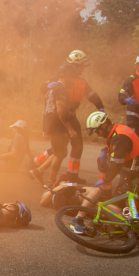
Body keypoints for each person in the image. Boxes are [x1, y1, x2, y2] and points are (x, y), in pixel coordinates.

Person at [30, 50, 105, 185]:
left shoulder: (81, 82)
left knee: (77, 145)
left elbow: (92, 95)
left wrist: (101, 107)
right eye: (80, 66)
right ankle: (37, 164)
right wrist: (47, 85)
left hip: (71, 115)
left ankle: (72, 175)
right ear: (74, 65)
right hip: (61, 116)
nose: (82, 69)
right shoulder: (60, 78)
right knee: (60, 148)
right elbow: (43, 89)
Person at [70, 111, 139, 235]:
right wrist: (105, 152)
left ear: (104, 125)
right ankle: (137, 195)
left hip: (135, 172)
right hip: (130, 167)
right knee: (115, 203)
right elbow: (116, 149)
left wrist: (105, 179)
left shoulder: (119, 137)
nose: (98, 134)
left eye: (97, 131)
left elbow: (115, 165)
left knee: (120, 208)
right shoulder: (117, 131)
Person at [39, 64, 81, 189]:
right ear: (67, 77)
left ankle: (40, 173)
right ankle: (50, 182)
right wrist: (70, 129)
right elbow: (60, 111)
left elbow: (46, 109)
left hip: (53, 126)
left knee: (58, 153)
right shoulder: (61, 89)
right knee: (60, 154)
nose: (73, 82)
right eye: (73, 78)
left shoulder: (53, 88)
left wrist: (45, 128)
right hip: (58, 126)